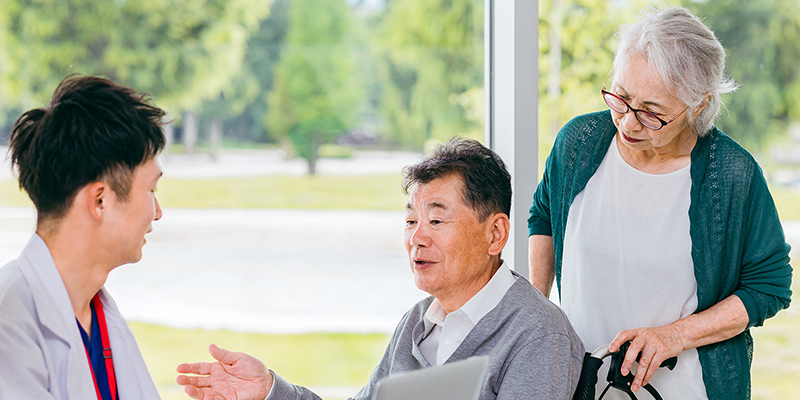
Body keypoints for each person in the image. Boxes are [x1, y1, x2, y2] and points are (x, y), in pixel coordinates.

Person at [176, 137, 585, 400]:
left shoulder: (538, 333)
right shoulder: (418, 323)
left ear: (495, 234)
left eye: (437, 221)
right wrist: (268, 390)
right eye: (411, 221)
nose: (416, 239)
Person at [528, 6, 793, 400]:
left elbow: (769, 285)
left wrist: (675, 336)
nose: (629, 123)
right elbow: (544, 216)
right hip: (582, 387)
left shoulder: (734, 175)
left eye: (651, 112)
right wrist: (537, 316)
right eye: (622, 97)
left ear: (698, 105)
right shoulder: (578, 143)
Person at [0, 74, 167, 399]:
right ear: (99, 201)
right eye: (151, 190)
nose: (157, 212)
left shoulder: (99, 315)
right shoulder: (9, 321)